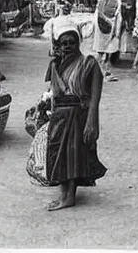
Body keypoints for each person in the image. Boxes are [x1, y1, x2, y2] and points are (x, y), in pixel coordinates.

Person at [39, 27, 106, 210]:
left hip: (78, 116)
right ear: (59, 46)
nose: (68, 46)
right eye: (64, 43)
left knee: (73, 155)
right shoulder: (55, 65)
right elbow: (52, 91)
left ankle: (69, 197)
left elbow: (95, 97)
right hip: (58, 116)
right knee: (56, 154)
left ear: (79, 44)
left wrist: (92, 121)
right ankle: (63, 194)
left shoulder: (89, 63)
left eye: (72, 42)